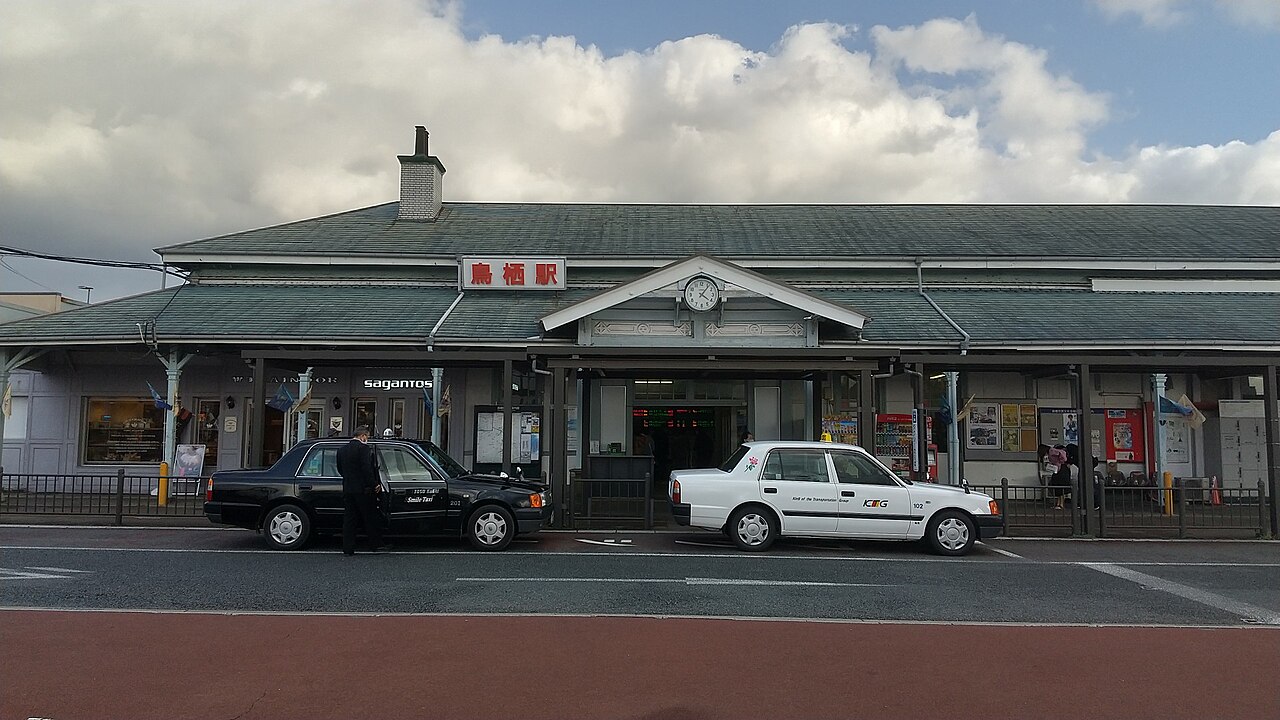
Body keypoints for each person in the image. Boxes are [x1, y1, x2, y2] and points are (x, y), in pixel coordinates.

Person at [336, 425, 388, 555]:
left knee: (349, 519)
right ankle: (375, 544)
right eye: (367, 437)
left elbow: (340, 468)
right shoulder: (363, 449)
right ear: (362, 436)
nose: (367, 439)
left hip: (348, 487)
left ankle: (348, 548)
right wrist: (374, 484)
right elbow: (367, 469)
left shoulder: (342, 450)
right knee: (369, 517)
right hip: (363, 489)